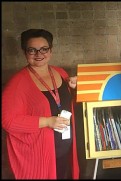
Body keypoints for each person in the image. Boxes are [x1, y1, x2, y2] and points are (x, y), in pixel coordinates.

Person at [2, 29, 80, 179]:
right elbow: (8, 121)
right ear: (25, 52)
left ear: (50, 51)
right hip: (40, 154)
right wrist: (46, 121)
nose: (39, 54)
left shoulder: (61, 73)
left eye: (44, 49)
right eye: (32, 50)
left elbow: (68, 105)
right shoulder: (17, 83)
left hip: (64, 147)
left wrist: (75, 90)